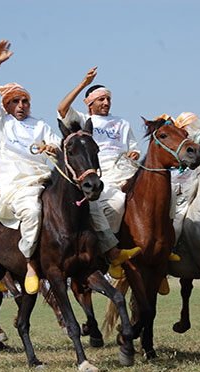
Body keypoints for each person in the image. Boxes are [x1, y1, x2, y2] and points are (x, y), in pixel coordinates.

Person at [0, 40, 62, 295]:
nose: (21, 105)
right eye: (15, 101)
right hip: (18, 188)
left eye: (25, 100)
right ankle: (30, 263)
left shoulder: (40, 125)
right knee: (33, 212)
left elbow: (59, 145)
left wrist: (53, 148)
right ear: (6, 106)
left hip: (46, 181)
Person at [57, 67, 142, 280]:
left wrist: (134, 153)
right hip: (101, 174)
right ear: (89, 103)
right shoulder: (84, 120)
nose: (106, 103)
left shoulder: (122, 122)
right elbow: (62, 108)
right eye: (101, 99)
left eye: (108, 99)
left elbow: (134, 146)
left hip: (127, 170)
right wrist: (83, 84)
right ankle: (111, 252)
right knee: (117, 203)